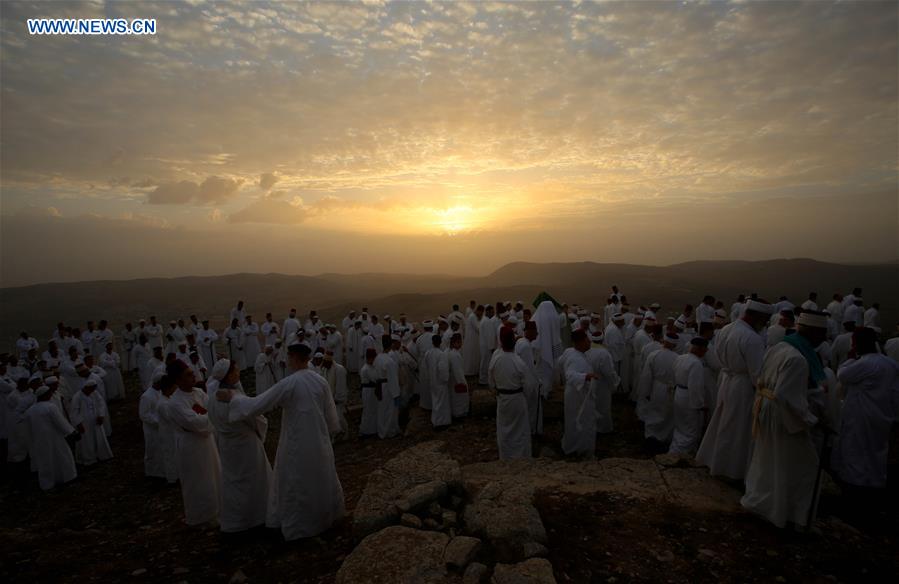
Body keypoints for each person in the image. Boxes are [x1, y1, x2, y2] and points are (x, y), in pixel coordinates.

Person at [216, 342, 344, 540]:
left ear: (294, 357)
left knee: (297, 480)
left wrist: (234, 397)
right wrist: (327, 434)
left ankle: (300, 526)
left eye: (288, 356)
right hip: (319, 441)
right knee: (320, 475)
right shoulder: (320, 381)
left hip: (296, 442)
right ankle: (323, 519)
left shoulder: (289, 383)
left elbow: (258, 404)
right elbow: (332, 419)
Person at [741, 311, 830, 529]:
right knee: (803, 465)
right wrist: (812, 419)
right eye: (822, 333)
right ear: (814, 332)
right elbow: (786, 397)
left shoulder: (779, 347)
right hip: (782, 416)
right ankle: (786, 513)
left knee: (768, 459)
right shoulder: (797, 359)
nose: (824, 338)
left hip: (766, 407)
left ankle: (763, 503)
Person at [696, 299, 774, 481]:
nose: (765, 324)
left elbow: (718, 357)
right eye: (764, 320)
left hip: (726, 381)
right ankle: (732, 470)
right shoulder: (752, 338)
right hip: (742, 387)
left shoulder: (725, 329)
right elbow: (757, 375)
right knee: (738, 429)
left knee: (723, 422)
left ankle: (717, 462)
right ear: (757, 317)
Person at [831, 328, 899, 494]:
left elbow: (843, 375)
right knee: (875, 453)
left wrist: (850, 358)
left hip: (861, 417)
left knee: (857, 454)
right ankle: (875, 483)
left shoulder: (865, 363)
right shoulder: (890, 363)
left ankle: (857, 488)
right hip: (882, 415)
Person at [207, 359, 272, 533]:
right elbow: (255, 418)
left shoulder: (212, 398)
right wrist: (259, 432)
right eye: (236, 371)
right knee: (254, 480)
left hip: (227, 445)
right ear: (228, 375)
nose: (239, 373)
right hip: (245, 444)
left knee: (233, 481)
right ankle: (257, 516)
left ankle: (236, 520)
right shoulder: (236, 398)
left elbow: (212, 419)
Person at [168, 359, 221, 525]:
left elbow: (213, 410)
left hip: (208, 442)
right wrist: (210, 418)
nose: (194, 377)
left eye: (192, 373)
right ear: (178, 380)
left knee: (214, 476)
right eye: (188, 375)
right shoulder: (175, 403)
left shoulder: (198, 392)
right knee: (197, 481)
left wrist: (209, 418)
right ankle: (200, 516)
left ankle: (218, 510)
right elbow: (196, 423)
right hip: (191, 446)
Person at [488, 327, 534, 460]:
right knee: (520, 430)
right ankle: (522, 457)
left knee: (504, 430)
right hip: (517, 399)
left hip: (503, 399)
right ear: (514, 342)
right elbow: (529, 387)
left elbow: (491, 381)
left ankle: (506, 457)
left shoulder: (495, 359)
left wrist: (497, 391)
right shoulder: (519, 362)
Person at [26, 384, 78, 490]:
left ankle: (47, 483)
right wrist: (71, 431)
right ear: (45, 395)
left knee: (45, 460)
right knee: (62, 456)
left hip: (39, 439)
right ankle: (67, 477)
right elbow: (60, 422)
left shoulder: (30, 410)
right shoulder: (50, 407)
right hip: (54, 437)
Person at [560, 330, 601, 458]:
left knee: (576, 421)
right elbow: (570, 375)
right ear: (581, 342)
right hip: (578, 396)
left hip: (577, 394)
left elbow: (560, 363)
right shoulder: (575, 358)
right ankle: (582, 450)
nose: (589, 342)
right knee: (583, 422)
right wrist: (586, 377)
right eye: (587, 340)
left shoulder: (571, 352)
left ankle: (575, 447)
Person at [637, 333, 680, 445]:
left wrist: (645, 392)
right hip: (671, 389)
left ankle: (651, 435)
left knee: (654, 410)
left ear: (664, 341)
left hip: (656, 387)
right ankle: (664, 436)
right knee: (667, 413)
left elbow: (646, 376)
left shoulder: (654, 355)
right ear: (675, 345)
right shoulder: (677, 358)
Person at [669, 337, 709, 455]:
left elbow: (673, 375)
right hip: (689, 398)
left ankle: (675, 449)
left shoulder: (680, 358)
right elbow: (695, 387)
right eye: (705, 349)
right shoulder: (696, 363)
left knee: (680, 426)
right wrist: (699, 404)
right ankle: (677, 454)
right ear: (700, 349)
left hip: (679, 393)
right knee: (690, 430)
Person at [70, 378, 113, 466]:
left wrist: (101, 415)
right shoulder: (77, 397)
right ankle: (89, 459)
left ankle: (102, 455)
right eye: (91, 389)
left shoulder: (95, 393)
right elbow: (74, 412)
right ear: (86, 388)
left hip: (96, 420)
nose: (92, 391)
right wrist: (78, 424)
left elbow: (101, 404)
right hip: (84, 423)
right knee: (87, 441)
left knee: (99, 438)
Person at [586, 330, 619, 434]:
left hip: (589, 382)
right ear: (602, 340)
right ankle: (603, 428)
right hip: (602, 384)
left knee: (591, 405)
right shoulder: (604, 353)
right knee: (603, 406)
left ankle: (591, 426)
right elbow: (609, 372)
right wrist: (614, 384)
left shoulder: (587, 350)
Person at [139, 369, 166, 479]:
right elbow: (144, 415)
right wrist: (158, 421)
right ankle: (152, 472)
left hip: (161, 427)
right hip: (151, 429)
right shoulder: (146, 396)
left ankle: (162, 471)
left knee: (161, 450)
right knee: (152, 450)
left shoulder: (160, 392)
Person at [515, 322, 541, 435]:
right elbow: (528, 369)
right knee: (530, 408)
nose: (537, 334)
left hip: (521, 382)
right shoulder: (525, 346)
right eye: (535, 331)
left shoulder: (522, 342)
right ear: (529, 332)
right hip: (527, 384)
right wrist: (537, 383)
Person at [374, 336, 402, 438]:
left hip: (379, 386)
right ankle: (389, 431)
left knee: (381, 409)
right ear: (391, 345)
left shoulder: (378, 357)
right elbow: (393, 379)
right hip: (387, 387)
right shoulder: (389, 361)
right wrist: (396, 393)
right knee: (390, 410)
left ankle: (381, 430)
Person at [321, 350, 349, 440]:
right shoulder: (325, 369)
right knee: (331, 418)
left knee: (339, 417)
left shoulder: (339, 369)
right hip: (329, 398)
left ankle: (346, 432)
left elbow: (341, 385)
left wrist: (337, 398)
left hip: (338, 398)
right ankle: (334, 435)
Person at [426, 334, 451, 429]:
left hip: (432, 380)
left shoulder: (428, 353)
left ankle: (435, 420)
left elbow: (427, 365)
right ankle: (441, 422)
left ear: (432, 342)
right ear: (440, 342)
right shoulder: (441, 354)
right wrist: (446, 379)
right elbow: (443, 369)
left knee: (435, 401)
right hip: (440, 382)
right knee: (441, 403)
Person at [447, 333, 469, 418]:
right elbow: (457, 371)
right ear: (454, 343)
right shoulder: (454, 355)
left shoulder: (454, 353)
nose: (460, 344)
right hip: (457, 380)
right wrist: (462, 382)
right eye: (459, 342)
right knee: (459, 398)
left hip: (454, 379)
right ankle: (459, 413)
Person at [358, 348, 380, 437]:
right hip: (368, 391)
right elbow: (375, 378)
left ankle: (373, 429)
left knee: (373, 410)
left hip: (371, 391)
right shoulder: (366, 369)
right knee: (368, 411)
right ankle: (366, 430)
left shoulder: (371, 367)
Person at [478, 305, 498, 385]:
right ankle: (483, 380)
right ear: (488, 312)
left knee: (484, 362)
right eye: (492, 312)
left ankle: (483, 379)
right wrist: (492, 347)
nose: (493, 314)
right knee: (486, 363)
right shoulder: (487, 321)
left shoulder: (484, 320)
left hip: (484, 345)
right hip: (487, 346)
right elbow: (489, 336)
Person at [463, 305, 482, 376]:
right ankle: (470, 371)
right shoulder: (473, 317)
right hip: (472, 338)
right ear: (478, 311)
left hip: (473, 338)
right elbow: (478, 328)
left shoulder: (473, 316)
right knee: (472, 355)